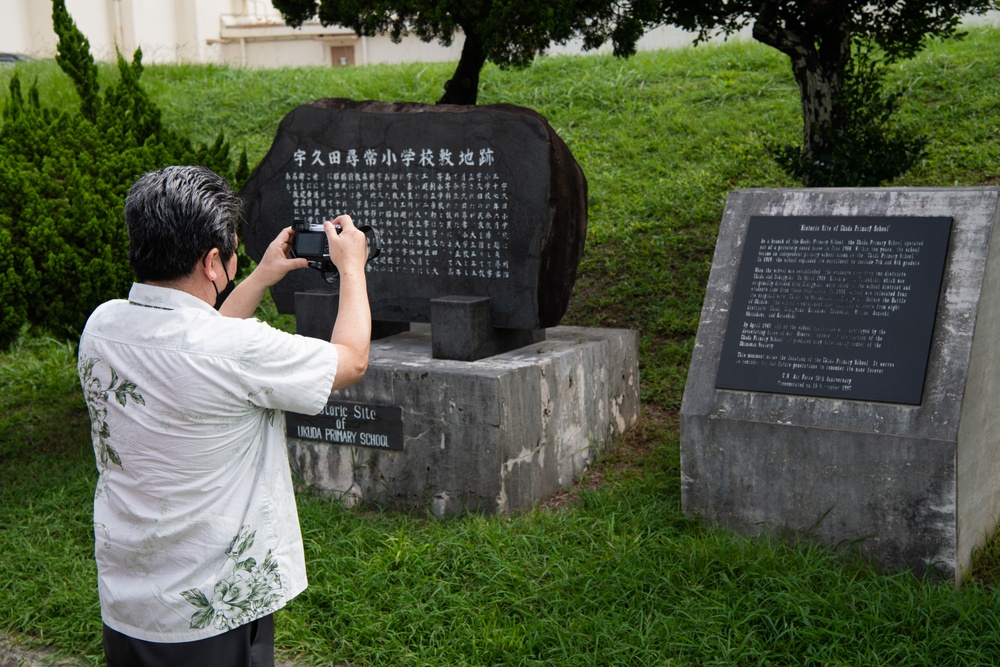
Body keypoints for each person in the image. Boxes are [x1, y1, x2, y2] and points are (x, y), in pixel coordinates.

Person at [77, 165, 371, 666]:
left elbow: (201, 336)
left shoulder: (102, 325)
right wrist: (351, 269)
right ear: (213, 261)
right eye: (233, 252)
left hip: (128, 603)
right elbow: (351, 359)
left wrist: (260, 275)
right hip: (212, 614)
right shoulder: (236, 350)